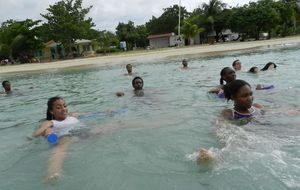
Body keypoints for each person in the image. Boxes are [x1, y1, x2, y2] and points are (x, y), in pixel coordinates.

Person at [198, 80, 263, 163]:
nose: (250, 98)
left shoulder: (257, 107)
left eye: (251, 94)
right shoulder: (229, 113)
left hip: (260, 134)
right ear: (233, 97)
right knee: (235, 142)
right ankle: (212, 157)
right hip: (245, 136)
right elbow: (219, 126)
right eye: (244, 96)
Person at [33, 96, 83, 181]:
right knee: (61, 148)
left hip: (82, 134)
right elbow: (37, 133)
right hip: (66, 138)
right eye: (59, 108)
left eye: (65, 106)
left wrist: (107, 112)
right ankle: (53, 172)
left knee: (105, 128)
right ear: (51, 111)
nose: (63, 109)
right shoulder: (50, 122)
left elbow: (92, 114)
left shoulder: (73, 116)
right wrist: (41, 133)